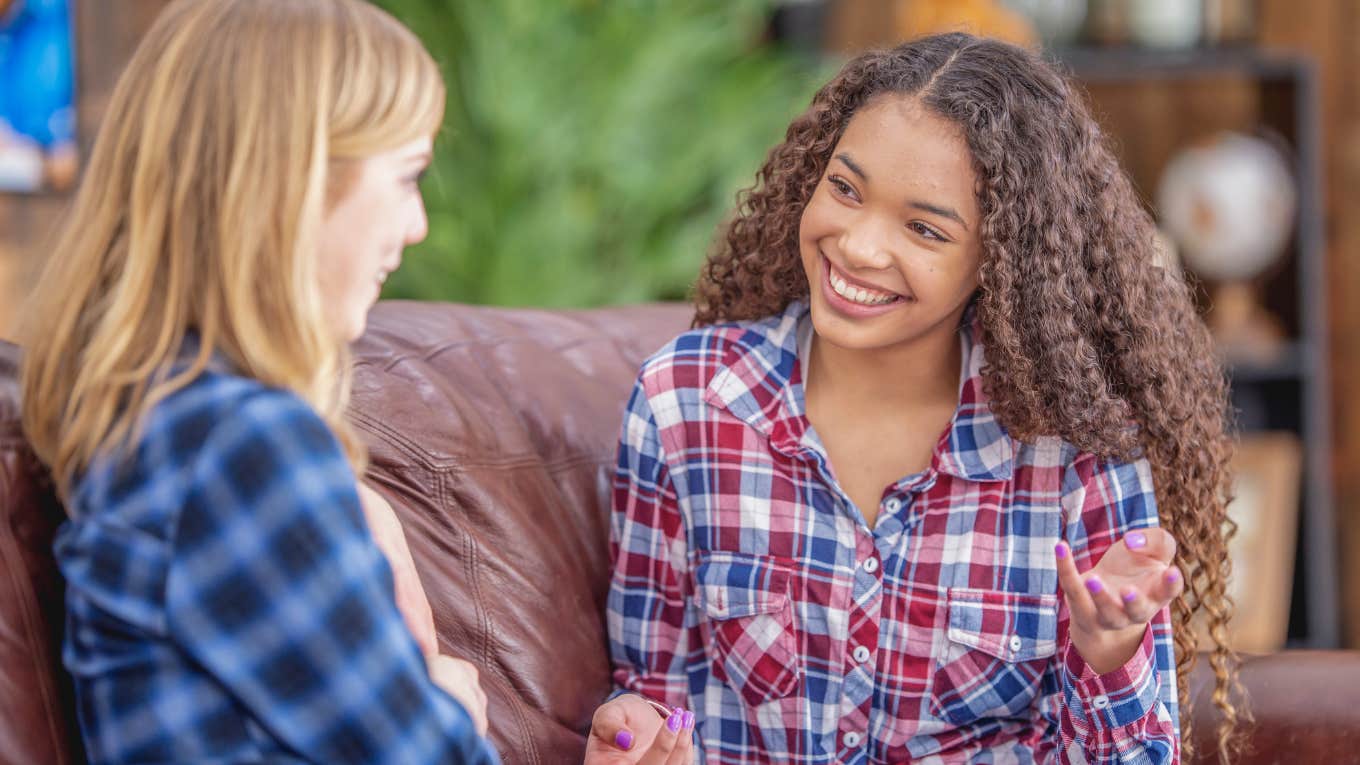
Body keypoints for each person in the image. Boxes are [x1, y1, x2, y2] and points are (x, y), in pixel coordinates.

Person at [598, 32, 1245, 763]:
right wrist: (639, 734)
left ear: (999, 263)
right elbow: (651, 682)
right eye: (845, 189)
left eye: (924, 228)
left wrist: (1108, 655)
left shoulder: (1077, 453)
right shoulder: (684, 403)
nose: (860, 247)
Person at [20, 0, 497, 762]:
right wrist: (446, 699)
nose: (417, 227)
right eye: (407, 178)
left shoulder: (159, 416)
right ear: (294, 187)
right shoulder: (241, 443)